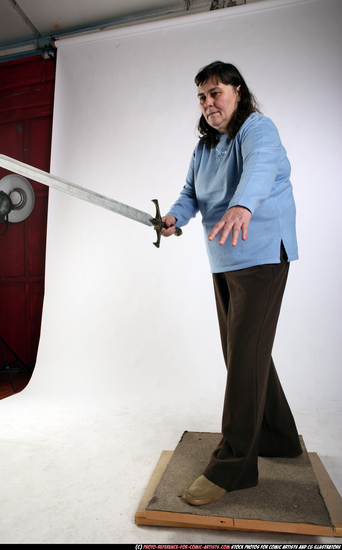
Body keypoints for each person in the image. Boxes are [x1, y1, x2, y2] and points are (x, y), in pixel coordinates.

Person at [161, 61, 303, 506]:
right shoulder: (204, 148)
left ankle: (233, 467)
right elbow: (189, 195)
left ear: (238, 92)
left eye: (216, 92)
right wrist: (173, 218)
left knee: (244, 357)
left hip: (261, 256)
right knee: (244, 353)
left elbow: (260, 170)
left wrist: (242, 205)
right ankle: (279, 437)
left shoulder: (258, 129)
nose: (208, 103)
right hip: (223, 261)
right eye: (202, 96)